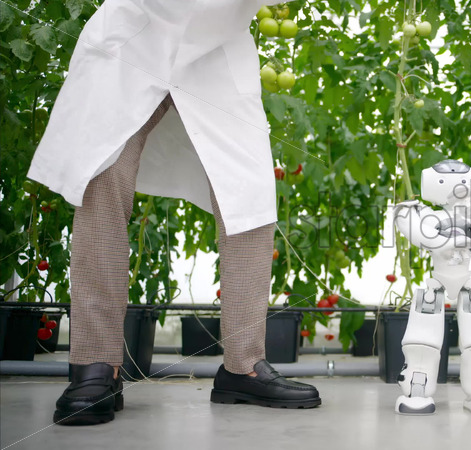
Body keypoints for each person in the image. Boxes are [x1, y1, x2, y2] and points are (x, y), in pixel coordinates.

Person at [26, 0, 320, 426]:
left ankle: (244, 366)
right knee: (102, 178)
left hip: (217, 50)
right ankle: (94, 365)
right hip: (134, 37)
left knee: (250, 192)